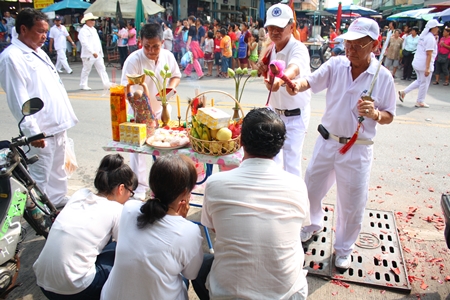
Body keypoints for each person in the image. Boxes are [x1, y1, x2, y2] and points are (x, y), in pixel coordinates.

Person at [288, 17, 396, 270]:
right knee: (311, 188)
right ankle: (312, 224)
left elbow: (389, 114)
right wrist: (295, 85)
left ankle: (344, 247)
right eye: (348, 44)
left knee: (351, 202)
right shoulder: (337, 65)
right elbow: (310, 81)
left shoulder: (383, 77)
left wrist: (376, 115)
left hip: (358, 149)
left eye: (358, 45)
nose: (351, 50)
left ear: (375, 45)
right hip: (327, 143)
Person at [192, 108, 310, 299]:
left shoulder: (215, 183)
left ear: (240, 142)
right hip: (287, 295)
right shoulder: (297, 185)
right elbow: (297, 226)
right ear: (280, 146)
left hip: (229, 295)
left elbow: (215, 228)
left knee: (201, 266)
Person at [0, 8, 78, 208]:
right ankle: (41, 212)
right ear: (23, 29)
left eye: (46, 31)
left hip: (56, 124)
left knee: (58, 169)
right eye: (40, 31)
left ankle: (58, 200)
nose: (45, 36)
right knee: (41, 174)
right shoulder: (12, 57)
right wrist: (32, 132)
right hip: (41, 129)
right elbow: (19, 98)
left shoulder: (38, 51)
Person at [33, 154, 137, 299]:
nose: (129, 198)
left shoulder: (79, 194)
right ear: (121, 189)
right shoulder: (116, 210)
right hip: (75, 290)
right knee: (120, 256)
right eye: (130, 193)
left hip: (43, 282)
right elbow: (130, 249)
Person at [100, 154, 203, 300]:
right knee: (179, 275)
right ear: (184, 193)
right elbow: (191, 274)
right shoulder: (189, 232)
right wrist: (180, 221)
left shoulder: (129, 208)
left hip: (110, 296)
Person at [121, 23, 181, 200]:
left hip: (162, 109)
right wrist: (136, 96)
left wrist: (169, 89)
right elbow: (126, 87)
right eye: (147, 46)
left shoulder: (168, 56)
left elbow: (176, 76)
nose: (151, 51)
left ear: (162, 42)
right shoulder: (134, 59)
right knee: (139, 151)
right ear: (140, 42)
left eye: (155, 46)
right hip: (140, 112)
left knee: (165, 148)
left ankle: (164, 185)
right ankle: (139, 188)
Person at [256, 3, 311, 179]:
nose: (274, 32)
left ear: (291, 26)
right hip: (275, 115)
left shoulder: (298, 48)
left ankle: (293, 204)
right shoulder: (271, 48)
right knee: (274, 162)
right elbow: (264, 69)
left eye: (279, 27)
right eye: (271, 28)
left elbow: (294, 68)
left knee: (291, 165)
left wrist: (280, 80)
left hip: (294, 117)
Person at [398, 19, 443, 108]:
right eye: (437, 27)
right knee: (424, 83)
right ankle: (420, 101)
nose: (438, 29)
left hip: (418, 62)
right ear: (432, 28)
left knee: (419, 81)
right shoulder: (430, 38)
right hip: (424, 64)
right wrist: (427, 68)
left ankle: (404, 92)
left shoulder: (423, 36)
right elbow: (429, 54)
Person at [78, 13, 111, 90]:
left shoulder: (94, 29)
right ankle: (83, 84)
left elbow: (97, 42)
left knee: (102, 69)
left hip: (97, 53)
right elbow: (84, 43)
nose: (94, 21)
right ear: (87, 21)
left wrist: (99, 52)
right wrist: (92, 52)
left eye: (94, 20)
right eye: (92, 20)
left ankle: (106, 83)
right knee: (86, 69)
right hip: (89, 54)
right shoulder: (83, 31)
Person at [184, 15, 204, 79]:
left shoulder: (191, 28)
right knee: (192, 59)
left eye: (188, 20)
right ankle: (187, 72)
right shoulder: (195, 27)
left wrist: (187, 45)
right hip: (196, 43)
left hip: (192, 44)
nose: (188, 21)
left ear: (190, 20)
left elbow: (190, 37)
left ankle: (200, 73)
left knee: (193, 59)